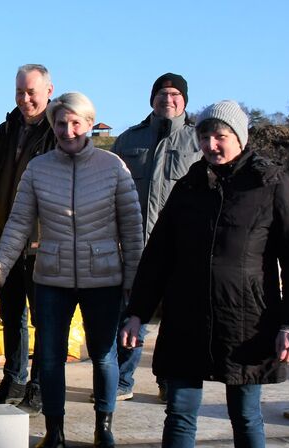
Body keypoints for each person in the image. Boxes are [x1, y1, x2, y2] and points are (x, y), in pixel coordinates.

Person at [125, 101, 289, 448]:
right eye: (205, 136)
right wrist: (138, 312)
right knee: (181, 411)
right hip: (188, 317)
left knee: (245, 416)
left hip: (247, 322)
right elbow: (158, 256)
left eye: (220, 136)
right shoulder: (188, 186)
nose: (211, 144)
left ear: (240, 138)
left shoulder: (270, 184)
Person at [0, 92, 142, 448]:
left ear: (89, 124)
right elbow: (18, 224)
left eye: (75, 122)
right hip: (51, 277)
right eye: (60, 123)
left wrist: (134, 280)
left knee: (104, 357)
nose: (67, 130)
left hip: (103, 278)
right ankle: (54, 433)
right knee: (50, 357)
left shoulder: (114, 167)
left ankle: (104, 429)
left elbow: (132, 230)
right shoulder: (38, 169)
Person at [110, 73, 201, 402]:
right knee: (132, 316)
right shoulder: (128, 140)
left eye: (175, 94)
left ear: (184, 101)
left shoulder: (197, 141)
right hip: (133, 244)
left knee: (177, 317)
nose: (168, 99)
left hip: (179, 247)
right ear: (152, 99)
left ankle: (168, 378)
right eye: (162, 93)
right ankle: (123, 380)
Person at [0, 64, 57, 411]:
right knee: (12, 315)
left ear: (49, 91)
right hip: (7, 239)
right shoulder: (6, 128)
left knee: (43, 319)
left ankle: (39, 386)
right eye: (20, 93)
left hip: (42, 242)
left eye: (32, 93)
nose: (25, 99)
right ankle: (13, 380)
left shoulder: (58, 129)